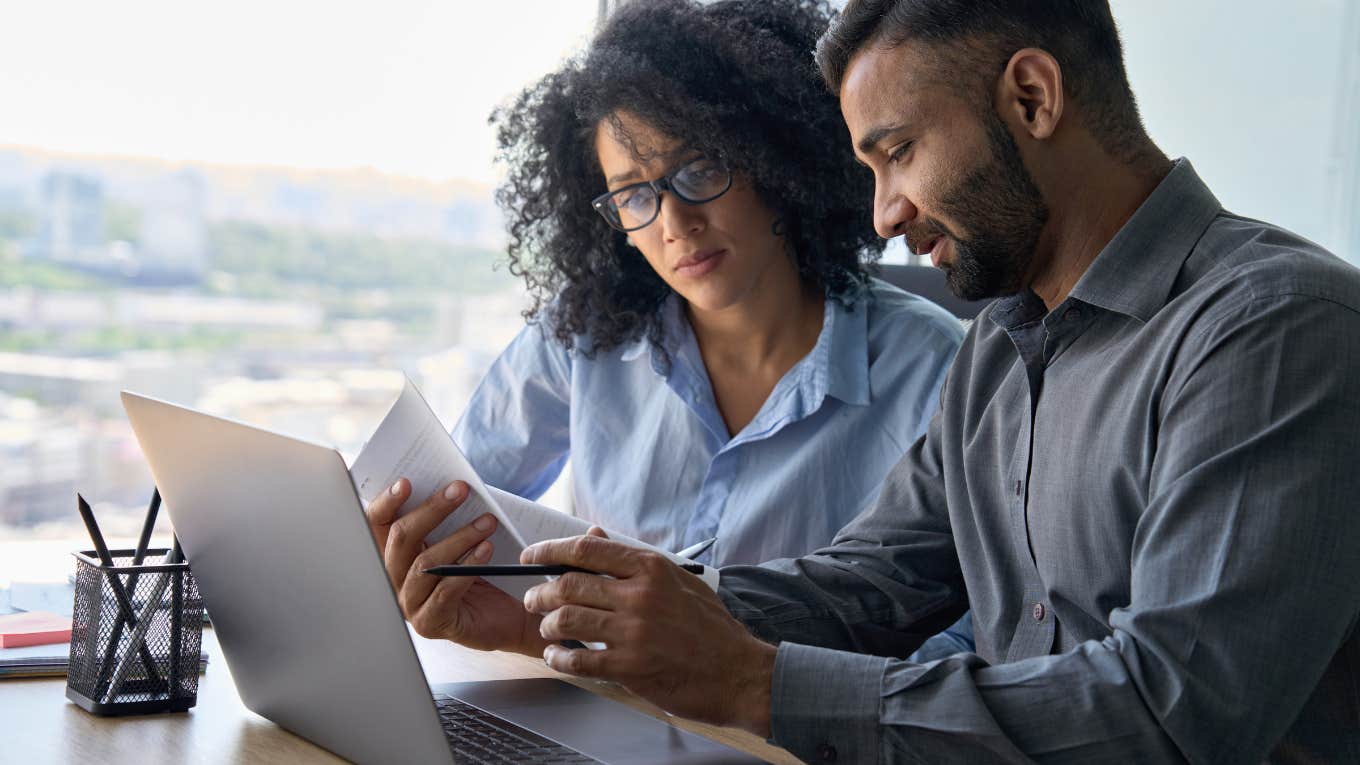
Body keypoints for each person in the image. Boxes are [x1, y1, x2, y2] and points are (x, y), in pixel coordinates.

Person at [373, 0, 1360, 760]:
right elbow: (869, 582)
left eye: (896, 153)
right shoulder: (1005, 349)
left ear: (1032, 98)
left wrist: (757, 685)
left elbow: (1175, 717)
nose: (881, 212)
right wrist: (571, 620)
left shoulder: (1276, 328)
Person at [408, 0, 972, 656]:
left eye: (698, 170)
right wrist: (425, 557)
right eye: (633, 194)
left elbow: (975, 635)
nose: (673, 223)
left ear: (774, 159)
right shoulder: (584, 338)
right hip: (593, 708)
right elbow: (460, 503)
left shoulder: (936, 369)